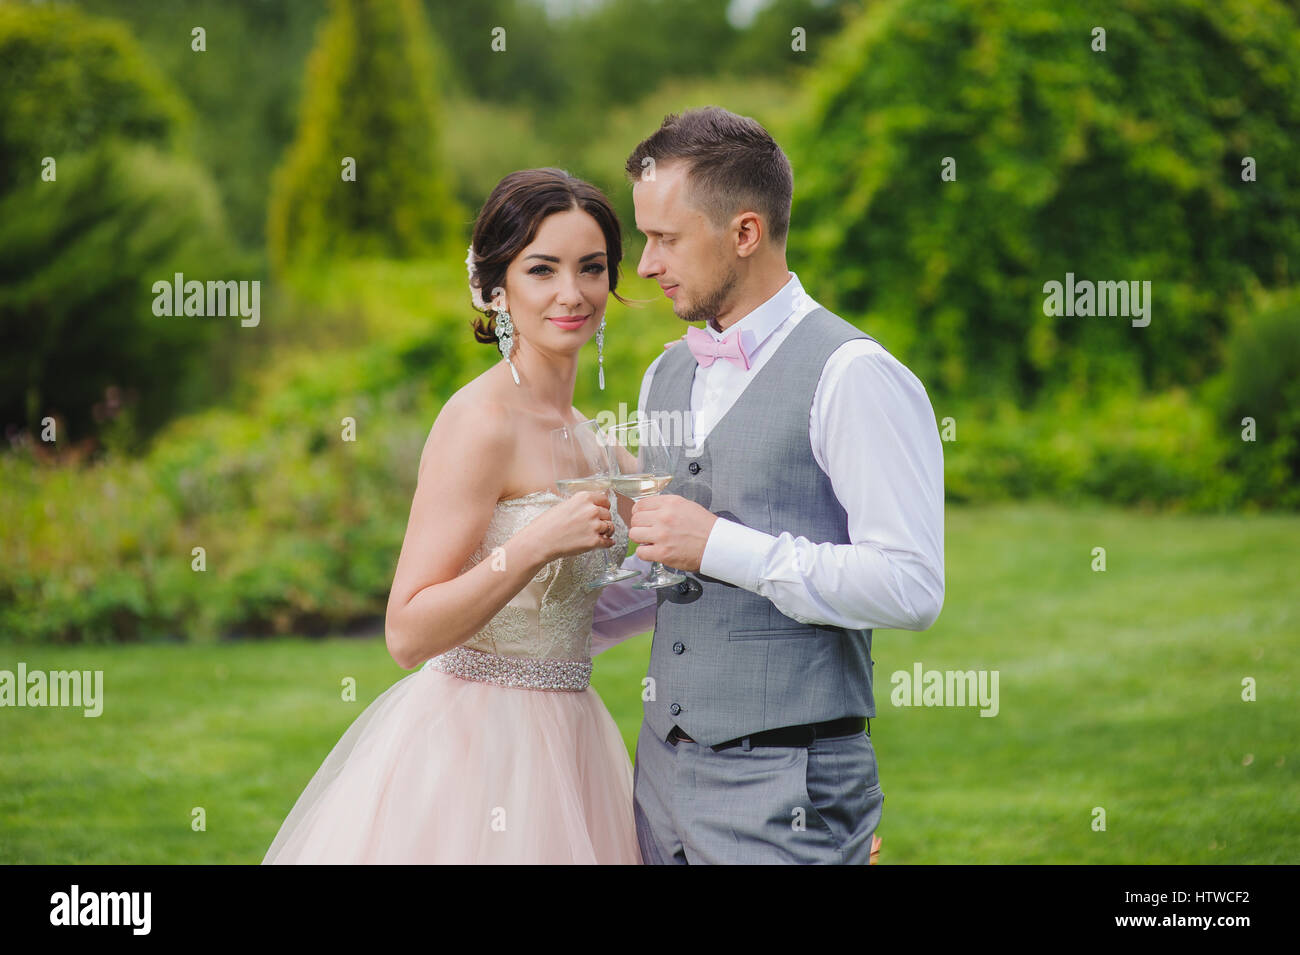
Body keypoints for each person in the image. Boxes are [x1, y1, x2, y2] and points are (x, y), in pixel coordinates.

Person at [589, 106, 946, 864]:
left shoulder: (855, 375)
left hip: (788, 783)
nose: (645, 265)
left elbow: (912, 584)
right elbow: (667, 577)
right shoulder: (663, 375)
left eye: (665, 239)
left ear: (744, 232)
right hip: (657, 779)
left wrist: (720, 544)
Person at [262, 168, 645, 864]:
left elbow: (581, 613)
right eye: (542, 269)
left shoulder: (598, 443)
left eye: (592, 268)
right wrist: (531, 545)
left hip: (576, 743)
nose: (573, 293)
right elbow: (408, 631)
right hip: (477, 749)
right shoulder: (480, 424)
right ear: (495, 288)